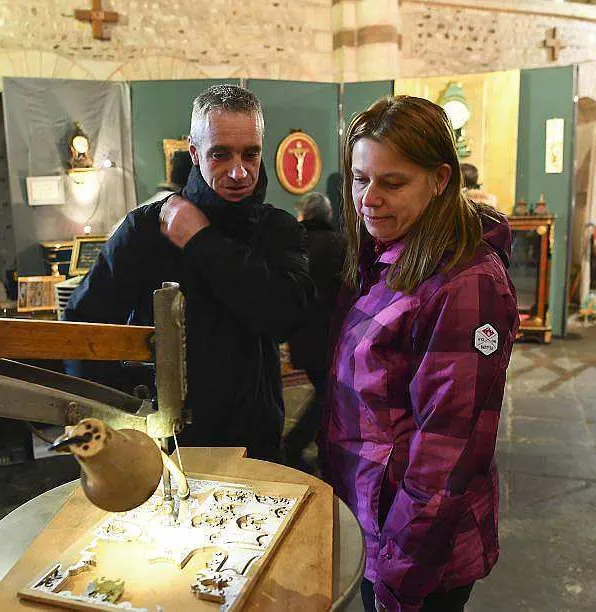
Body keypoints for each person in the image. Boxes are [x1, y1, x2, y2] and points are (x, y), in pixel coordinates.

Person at [319, 96, 519, 612]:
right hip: (374, 523)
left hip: (418, 552)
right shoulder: (386, 253)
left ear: (439, 180)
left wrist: (400, 575)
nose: (369, 199)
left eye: (392, 182)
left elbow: (447, 454)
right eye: (360, 179)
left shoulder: (466, 284)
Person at [64, 84, 313, 461]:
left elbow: (284, 316)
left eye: (250, 154)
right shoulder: (145, 228)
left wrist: (201, 241)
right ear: (195, 153)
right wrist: (109, 421)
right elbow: (84, 325)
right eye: (220, 154)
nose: (239, 171)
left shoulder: (277, 229)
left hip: (253, 438)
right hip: (159, 439)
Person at [284, 192, 346, 472]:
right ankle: (296, 444)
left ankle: (313, 445)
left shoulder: (294, 244)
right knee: (329, 394)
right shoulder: (339, 244)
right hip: (330, 333)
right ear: (327, 215)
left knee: (327, 391)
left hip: (301, 332)